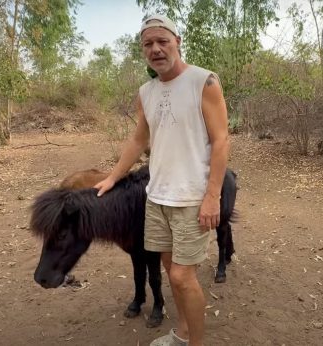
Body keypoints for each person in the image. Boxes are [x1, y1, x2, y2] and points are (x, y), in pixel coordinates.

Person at [93, 13, 229, 346]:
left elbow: (222, 139)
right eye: (148, 44)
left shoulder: (204, 81)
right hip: (157, 198)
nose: (155, 49)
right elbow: (139, 140)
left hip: (191, 199)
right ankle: (182, 333)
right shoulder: (146, 91)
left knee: (183, 276)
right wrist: (112, 177)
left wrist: (213, 195)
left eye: (162, 41)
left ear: (177, 42)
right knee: (171, 271)